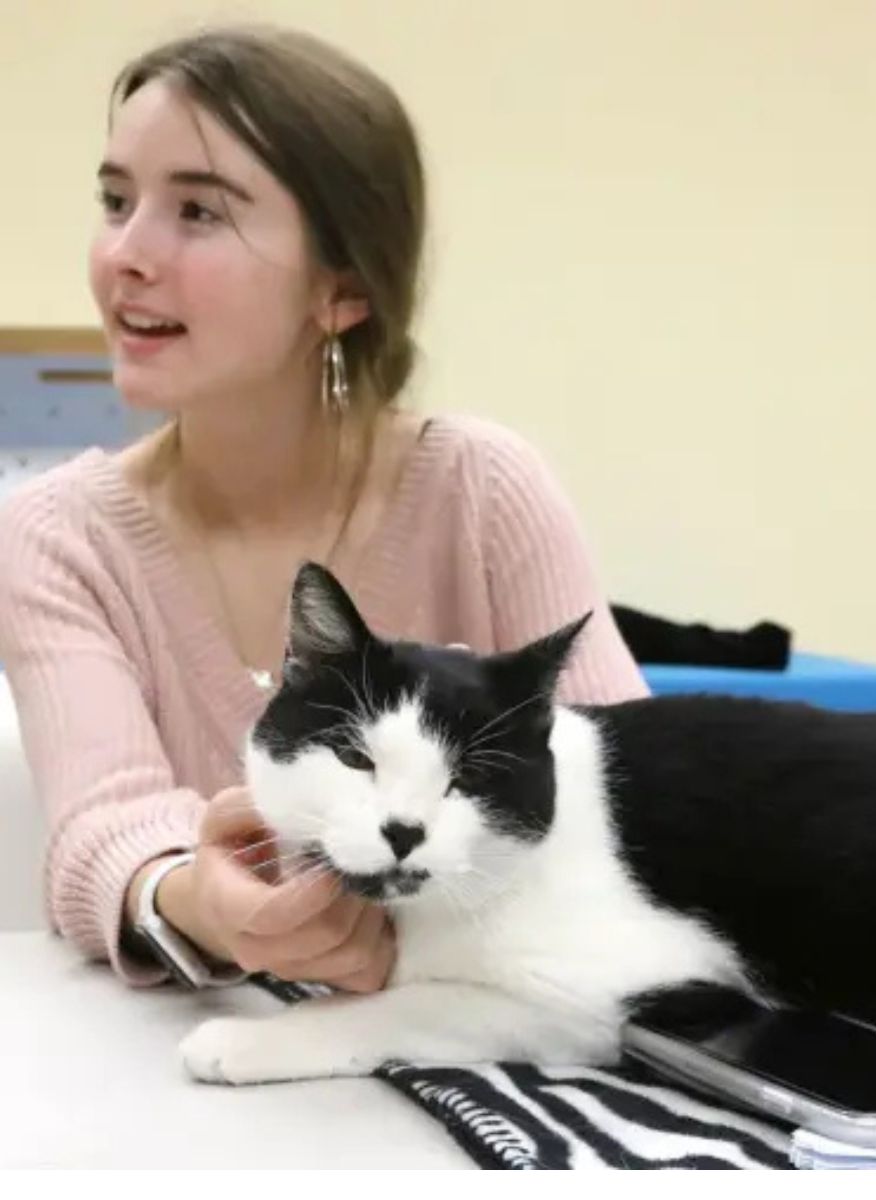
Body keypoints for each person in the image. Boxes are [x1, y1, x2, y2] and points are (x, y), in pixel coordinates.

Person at [0, 26, 646, 994]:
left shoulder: (481, 488)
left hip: (484, 1040)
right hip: (207, 1061)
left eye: (198, 212)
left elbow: (631, 779)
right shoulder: (52, 536)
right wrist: (198, 897)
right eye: (115, 201)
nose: (125, 255)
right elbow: (105, 821)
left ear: (342, 288)